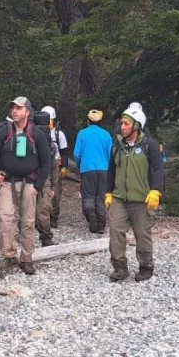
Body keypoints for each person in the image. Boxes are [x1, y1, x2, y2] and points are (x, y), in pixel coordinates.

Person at [0, 96, 52, 274]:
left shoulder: (37, 134)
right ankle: (9, 256)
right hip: (8, 181)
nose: (14, 111)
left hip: (29, 182)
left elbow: (46, 161)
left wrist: (38, 185)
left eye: (19, 108)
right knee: (5, 218)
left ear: (27, 112)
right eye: (13, 108)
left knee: (28, 221)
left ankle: (26, 258)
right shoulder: (4, 131)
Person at [105, 105, 163, 282]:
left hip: (141, 199)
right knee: (115, 231)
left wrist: (156, 190)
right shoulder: (117, 146)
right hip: (119, 198)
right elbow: (111, 171)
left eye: (127, 124)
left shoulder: (149, 145)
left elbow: (159, 168)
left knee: (142, 234)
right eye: (122, 123)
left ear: (137, 126)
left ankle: (146, 266)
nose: (122, 127)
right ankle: (120, 267)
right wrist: (108, 193)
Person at [74, 109, 114, 233]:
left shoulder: (82, 133)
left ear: (88, 121)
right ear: (101, 122)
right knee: (101, 196)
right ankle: (101, 224)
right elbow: (111, 154)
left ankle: (90, 214)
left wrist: (80, 165)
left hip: (87, 169)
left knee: (88, 195)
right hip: (103, 169)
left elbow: (77, 153)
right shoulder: (106, 135)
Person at [40, 106, 69, 229]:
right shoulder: (38, 132)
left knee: (55, 192)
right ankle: (41, 217)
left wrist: (64, 167)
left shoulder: (59, 134)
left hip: (56, 164)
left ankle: (54, 217)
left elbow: (64, 152)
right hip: (42, 164)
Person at [33, 110, 59, 246]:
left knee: (41, 209)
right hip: (37, 180)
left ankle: (45, 237)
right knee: (41, 209)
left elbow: (54, 165)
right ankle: (45, 237)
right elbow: (55, 167)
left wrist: (53, 185)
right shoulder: (51, 144)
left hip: (40, 180)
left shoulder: (51, 145)